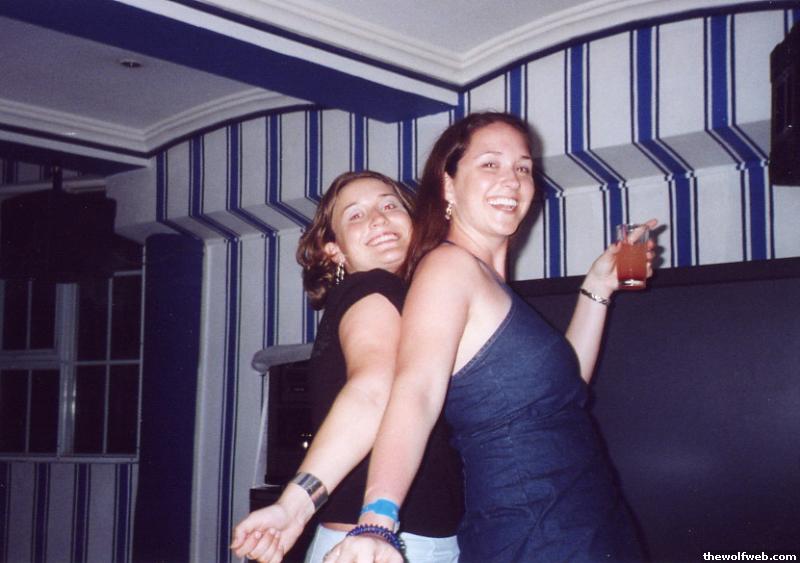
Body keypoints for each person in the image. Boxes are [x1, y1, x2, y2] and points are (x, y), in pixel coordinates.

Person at [325, 113, 655, 563]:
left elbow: (566, 389)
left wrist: (598, 286)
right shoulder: (448, 268)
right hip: (534, 531)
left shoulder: (493, 286)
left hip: (585, 516)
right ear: (448, 185)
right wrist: (377, 520)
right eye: (490, 164)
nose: (512, 179)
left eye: (523, 167)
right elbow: (416, 391)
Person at [230, 170, 463, 563]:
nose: (378, 219)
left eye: (390, 205)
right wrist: (294, 505)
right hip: (385, 543)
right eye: (355, 215)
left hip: (385, 540)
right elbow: (373, 389)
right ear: (335, 251)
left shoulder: (407, 301)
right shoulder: (371, 287)